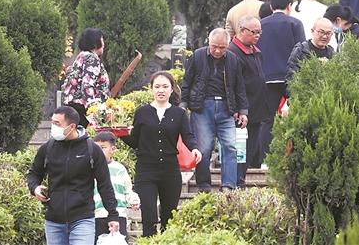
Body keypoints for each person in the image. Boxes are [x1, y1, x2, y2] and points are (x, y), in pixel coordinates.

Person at [121, 71, 200, 237]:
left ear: (171, 89)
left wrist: (194, 148)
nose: (161, 90)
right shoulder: (142, 112)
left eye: (165, 86)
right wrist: (118, 132)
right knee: (148, 216)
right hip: (146, 170)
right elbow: (134, 141)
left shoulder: (179, 113)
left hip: (170, 170)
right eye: (157, 86)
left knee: (169, 218)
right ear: (151, 89)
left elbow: (188, 136)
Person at [27, 105, 119, 245]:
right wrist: (35, 188)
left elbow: (104, 184)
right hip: (54, 220)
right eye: (52, 122)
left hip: (83, 219)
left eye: (57, 123)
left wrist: (112, 214)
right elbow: (34, 174)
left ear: (71, 127)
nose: (53, 127)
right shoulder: (48, 148)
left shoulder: (92, 150)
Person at [180, 29, 248, 193]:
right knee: (203, 148)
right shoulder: (198, 56)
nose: (217, 51)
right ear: (208, 42)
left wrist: (243, 110)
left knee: (230, 146)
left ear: (228, 45)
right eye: (214, 46)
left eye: (222, 47)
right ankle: (204, 185)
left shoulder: (233, 59)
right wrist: (183, 104)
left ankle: (228, 185)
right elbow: (187, 81)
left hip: (226, 108)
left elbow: (239, 86)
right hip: (202, 107)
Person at [228, 16, 270, 188]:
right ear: (242, 30)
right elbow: (232, 85)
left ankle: (241, 180)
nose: (257, 35)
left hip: (256, 109)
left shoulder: (254, 50)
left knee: (250, 149)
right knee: (239, 150)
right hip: (242, 112)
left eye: (259, 32)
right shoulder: (232, 52)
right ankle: (236, 182)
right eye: (254, 32)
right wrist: (238, 109)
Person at [257, 0, 305, 140]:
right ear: (289, 6)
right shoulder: (295, 23)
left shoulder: (261, 24)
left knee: (267, 120)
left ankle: (264, 154)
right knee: (297, 116)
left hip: (267, 77)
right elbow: (302, 50)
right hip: (290, 77)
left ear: (271, 7)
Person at [92, 131, 140, 242]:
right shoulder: (90, 168)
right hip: (97, 215)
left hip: (118, 214)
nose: (99, 151)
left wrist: (133, 200)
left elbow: (127, 190)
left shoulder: (119, 169)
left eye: (103, 147)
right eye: (96, 148)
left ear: (112, 149)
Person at [61, 28, 109, 128]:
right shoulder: (92, 59)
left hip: (73, 107)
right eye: (101, 39)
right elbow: (87, 85)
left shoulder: (82, 56)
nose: (104, 43)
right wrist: (94, 109)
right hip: (84, 110)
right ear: (95, 43)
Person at [286, 17, 335, 85]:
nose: (325, 36)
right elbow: (291, 77)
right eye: (321, 32)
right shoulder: (301, 50)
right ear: (312, 31)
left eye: (328, 33)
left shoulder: (332, 53)